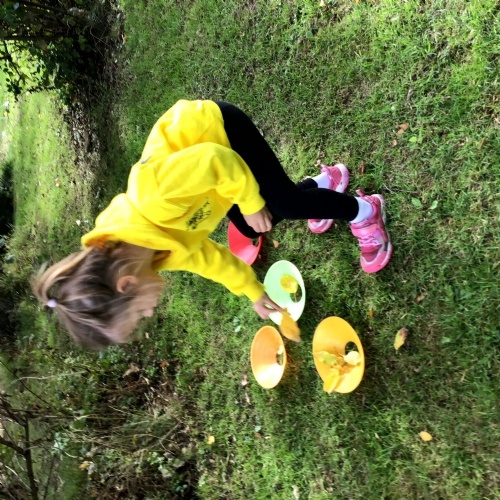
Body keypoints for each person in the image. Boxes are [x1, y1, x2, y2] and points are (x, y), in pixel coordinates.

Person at [33, 100, 392, 349]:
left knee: (280, 205)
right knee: (254, 226)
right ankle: (324, 184)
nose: (149, 313)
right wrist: (253, 291)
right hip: (214, 184)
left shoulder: (154, 197)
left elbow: (215, 160)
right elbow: (209, 260)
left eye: (139, 314)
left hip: (220, 134)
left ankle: (365, 211)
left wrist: (250, 202)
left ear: (127, 283)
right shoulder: (152, 253)